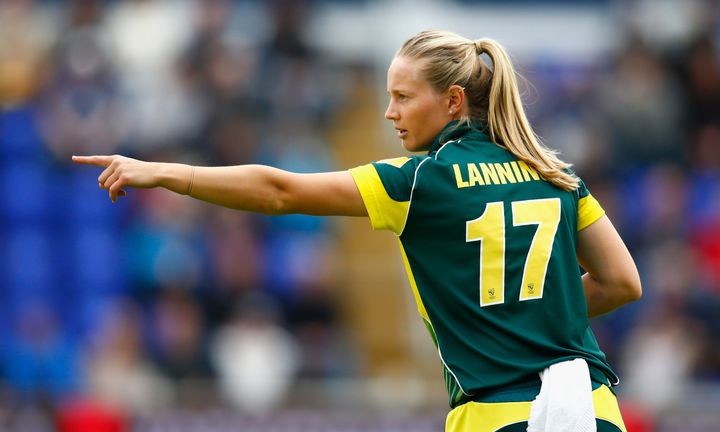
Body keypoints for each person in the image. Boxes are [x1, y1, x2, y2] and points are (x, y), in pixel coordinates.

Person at [73, 30, 641, 432]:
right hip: (593, 411)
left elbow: (281, 191)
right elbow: (621, 283)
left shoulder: (422, 181)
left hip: (497, 417)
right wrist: (534, 316)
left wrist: (165, 172)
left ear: (452, 101)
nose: (389, 113)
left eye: (401, 97)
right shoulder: (553, 173)